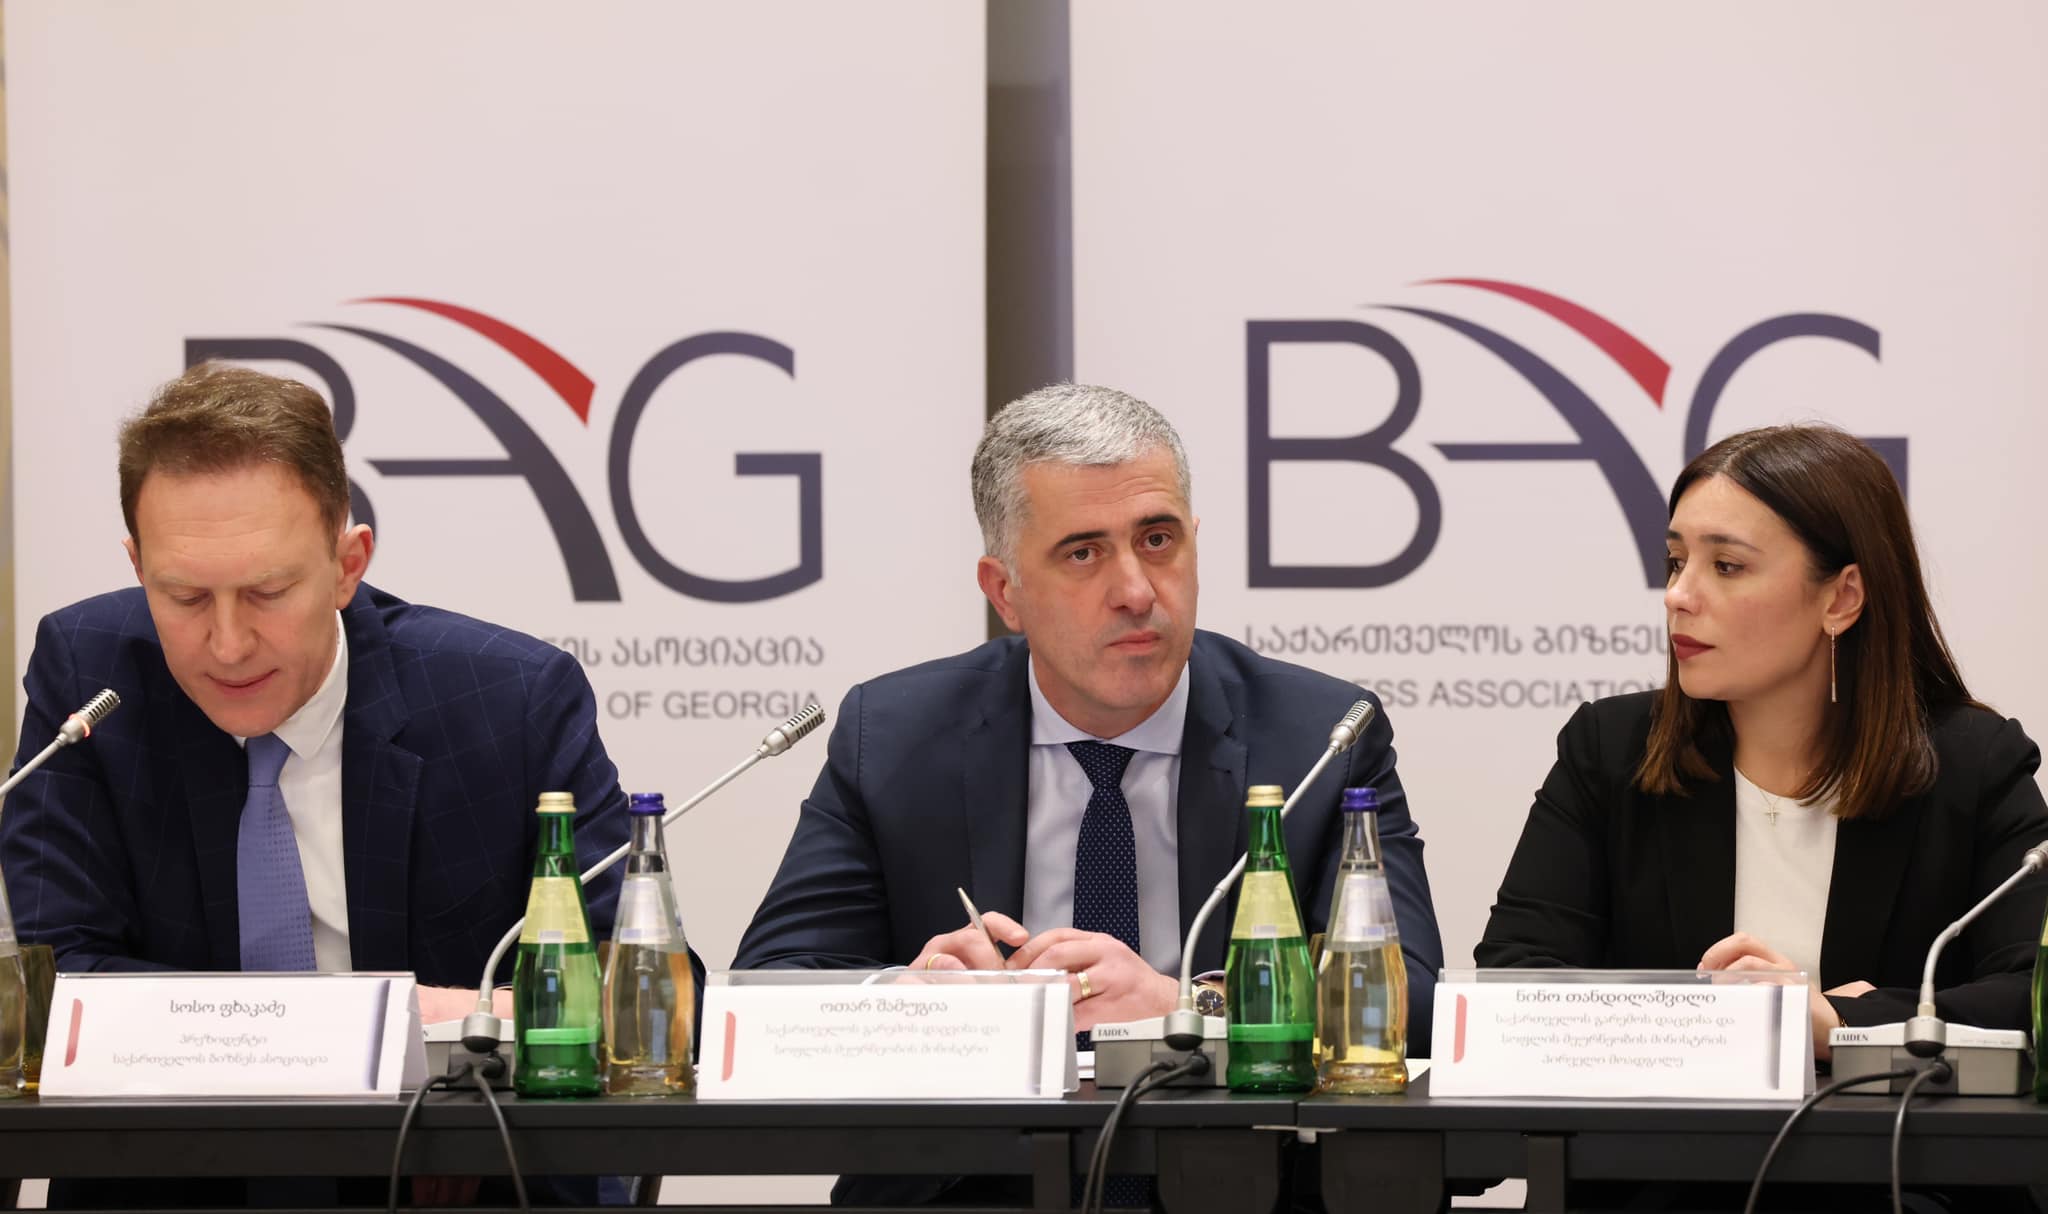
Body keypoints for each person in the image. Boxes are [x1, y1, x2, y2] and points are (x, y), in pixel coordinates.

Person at [735, 383, 1443, 1205]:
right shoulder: (895, 735)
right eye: (1083, 553)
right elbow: (768, 992)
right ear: (1004, 592)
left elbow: (1413, 1007)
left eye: (1157, 539)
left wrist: (1191, 1007)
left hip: (1239, 1185)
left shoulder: (1321, 739)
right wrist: (911, 1001)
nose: (1137, 589)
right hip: (972, 1187)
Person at [2, 362, 638, 1206]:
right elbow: (58, 982)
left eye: (268, 592)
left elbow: (632, 983)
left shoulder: (509, 701)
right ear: (137, 564)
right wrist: (387, 1028)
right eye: (183, 596)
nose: (228, 644)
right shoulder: (90, 678)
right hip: (172, 1178)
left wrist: (464, 1088)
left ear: (347, 564)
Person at [1478, 424, 2048, 1064]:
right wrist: (1713, 1020)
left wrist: (1839, 1023)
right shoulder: (1611, 751)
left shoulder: (1972, 766)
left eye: (1726, 566)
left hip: (1892, 1130)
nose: (1678, 596)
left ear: (1842, 597)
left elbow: (2032, 990)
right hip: (1667, 1130)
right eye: (1676, 562)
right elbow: (1514, 982)